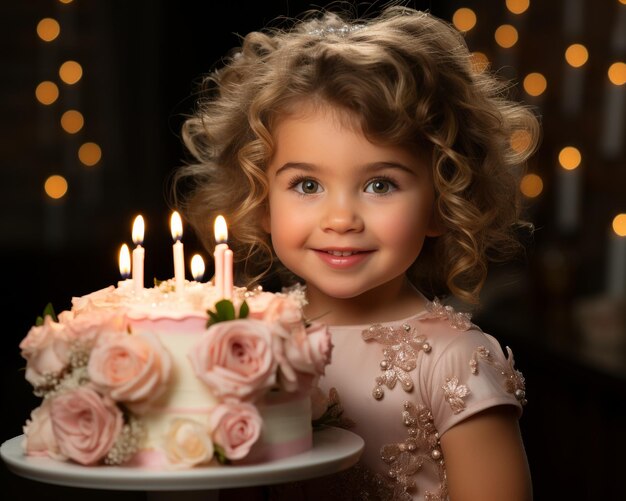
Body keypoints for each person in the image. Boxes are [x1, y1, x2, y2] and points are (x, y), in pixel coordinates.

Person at [173, 4, 539, 500]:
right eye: (306, 184)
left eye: (380, 184)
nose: (341, 218)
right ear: (260, 201)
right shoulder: (246, 342)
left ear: (441, 202)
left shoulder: (457, 361)